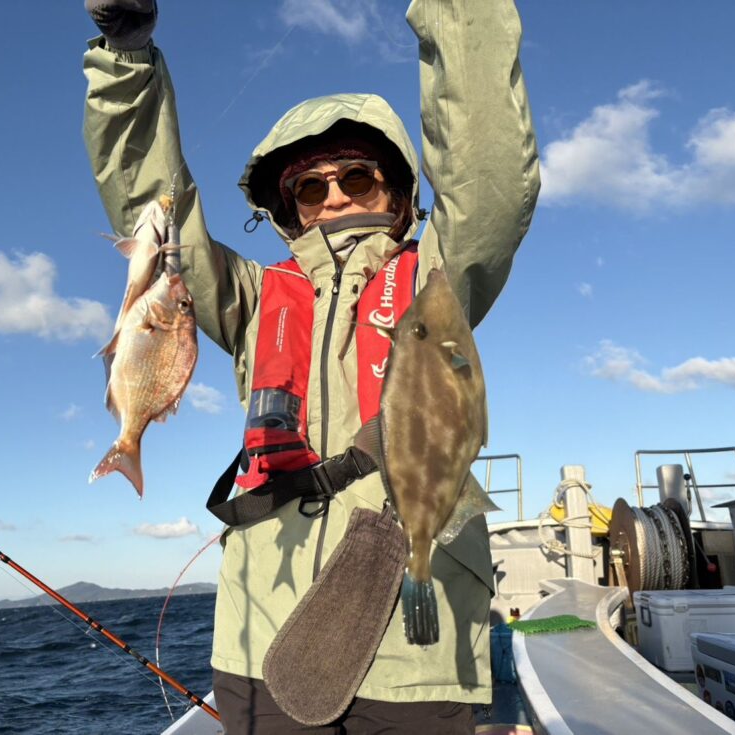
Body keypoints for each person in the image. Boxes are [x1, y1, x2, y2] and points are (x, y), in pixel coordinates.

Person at [83, 1, 540, 732]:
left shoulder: (438, 279)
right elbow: (153, 210)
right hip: (261, 644)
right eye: (309, 187)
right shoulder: (254, 299)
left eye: (358, 178)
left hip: (414, 655)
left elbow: (492, 187)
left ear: (398, 200)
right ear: (286, 208)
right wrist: (126, 56)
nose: (334, 199)